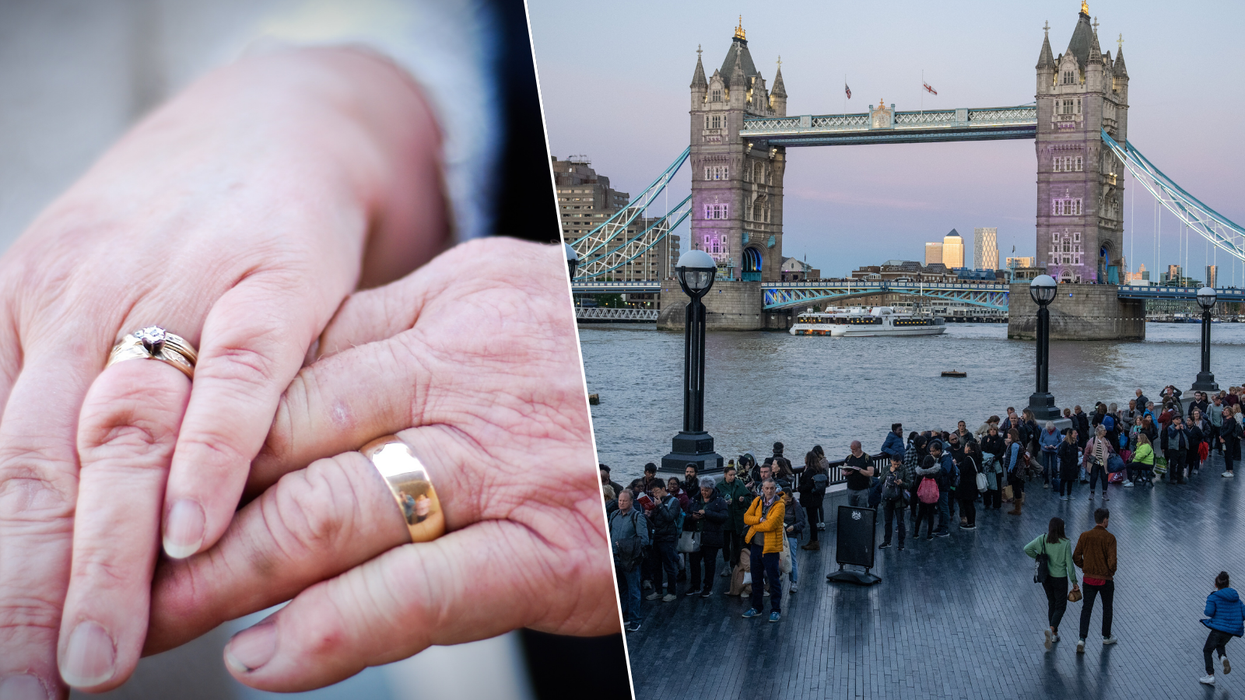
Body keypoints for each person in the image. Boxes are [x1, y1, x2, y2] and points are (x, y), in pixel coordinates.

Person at [1025, 517, 1079, 650]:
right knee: (1061, 606)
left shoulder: (1042, 539)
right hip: (1060, 578)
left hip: (1046, 577)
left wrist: (1039, 557)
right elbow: (1069, 565)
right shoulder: (1065, 543)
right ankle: (1051, 629)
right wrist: (1074, 581)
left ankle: (1054, 634)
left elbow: (1026, 548)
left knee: (1052, 603)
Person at [1073, 508, 1119, 652]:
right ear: (1105, 520)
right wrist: (1109, 572)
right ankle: (1106, 636)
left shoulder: (1084, 536)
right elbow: (1112, 561)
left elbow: (1076, 556)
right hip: (1105, 580)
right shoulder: (1110, 538)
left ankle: (1081, 639)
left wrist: (1084, 566)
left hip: (1088, 580)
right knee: (1107, 608)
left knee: (1086, 608)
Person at [742, 479, 785, 623]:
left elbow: (770, 526)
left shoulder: (780, 505)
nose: (769, 491)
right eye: (766, 488)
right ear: (762, 489)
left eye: (772, 488)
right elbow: (746, 517)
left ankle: (775, 609)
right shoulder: (757, 501)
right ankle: (756, 607)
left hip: (770, 548)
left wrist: (755, 525)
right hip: (756, 546)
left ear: (775, 489)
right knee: (756, 578)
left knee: (773, 580)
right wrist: (760, 519)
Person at [609, 490, 650, 632]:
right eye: (620, 500)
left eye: (624, 501)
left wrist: (624, 544)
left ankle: (635, 620)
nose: (621, 503)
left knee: (633, 591)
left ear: (631, 502)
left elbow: (644, 540)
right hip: (615, 559)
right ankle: (625, 617)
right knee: (621, 589)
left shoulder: (638, 517)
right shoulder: (614, 515)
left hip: (631, 561)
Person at [1200, 571, 1244, 686]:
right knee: (1220, 645)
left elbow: (1209, 612)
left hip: (1218, 629)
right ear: (1228, 584)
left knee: (1207, 650)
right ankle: (1223, 658)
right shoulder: (1236, 598)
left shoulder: (1213, 597)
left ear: (1216, 585)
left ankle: (1210, 675)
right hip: (1230, 631)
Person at [686, 478, 727, 598]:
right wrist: (692, 517)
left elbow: (724, 516)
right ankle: (695, 585)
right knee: (694, 563)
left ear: (712, 489)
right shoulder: (694, 499)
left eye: (707, 490)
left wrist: (706, 513)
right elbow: (686, 514)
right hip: (696, 536)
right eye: (702, 490)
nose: (704, 492)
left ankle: (708, 587)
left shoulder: (719, 501)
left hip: (711, 537)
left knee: (710, 563)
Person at [645, 482, 682, 603]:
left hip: (668, 538)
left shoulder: (674, 501)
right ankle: (658, 591)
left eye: (656, 491)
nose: (654, 494)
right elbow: (656, 520)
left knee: (669, 566)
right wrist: (649, 515)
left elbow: (670, 517)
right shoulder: (656, 502)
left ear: (663, 488)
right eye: (653, 492)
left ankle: (672, 592)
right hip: (656, 537)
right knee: (656, 566)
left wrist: (660, 506)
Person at [718, 465, 751, 575]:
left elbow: (748, 497)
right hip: (725, 520)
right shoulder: (719, 486)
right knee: (725, 543)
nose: (732, 477)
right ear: (725, 475)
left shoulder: (739, 484)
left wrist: (743, 499)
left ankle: (735, 564)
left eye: (734, 475)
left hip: (737, 519)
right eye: (730, 475)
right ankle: (726, 565)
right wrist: (723, 502)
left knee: (737, 543)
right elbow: (715, 501)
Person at [914, 445, 946, 540]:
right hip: (932, 497)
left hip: (922, 497)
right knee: (931, 515)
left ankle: (916, 533)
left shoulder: (920, 473)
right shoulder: (937, 472)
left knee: (920, 514)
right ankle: (929, 534)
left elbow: (916, 484)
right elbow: (941, 483)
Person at [799, 450, 828, 551]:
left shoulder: (809, 471)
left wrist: (800, 488)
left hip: (810, 499)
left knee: (812, 521)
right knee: (813, 520)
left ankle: (814, 541)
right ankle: (813, 540)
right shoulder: (818, 469)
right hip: (817, 498)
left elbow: (807, 485)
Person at [879, 457, 908, 550]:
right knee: (888, 522)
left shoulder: (904, 469)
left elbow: (910, 484)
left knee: (900, 522)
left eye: (898, 464)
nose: (896, 466)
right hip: (887, 499)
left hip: (899, 500)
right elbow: (881, 480)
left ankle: (901, 543)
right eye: (894, 464)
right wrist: (889, 473)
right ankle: (887, 541)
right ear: (891, 461)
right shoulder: (886, 468)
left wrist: (902, 483)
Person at [781, 490, 806, 593]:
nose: (787, 501)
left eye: (788, 499)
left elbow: (802, 522)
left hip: (790, 534)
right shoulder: (780, 505)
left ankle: (793, 581)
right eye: (785, 499)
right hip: (782, 534)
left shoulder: (796, 506)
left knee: (792, 557)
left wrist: (794, 527)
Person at [1085, 425, 1115, 500]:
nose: (1106, 432)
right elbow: (1087, 450)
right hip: (1094, 461)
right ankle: (1092, 493)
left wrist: (1109, 446)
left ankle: (1104, 493)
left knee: (1104, 477)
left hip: (1103, 462)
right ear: (1101, 432)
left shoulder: (1106, 440)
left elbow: (1111, 450)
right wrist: (1085, 460)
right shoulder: (1092, 440)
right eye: (1104, 430)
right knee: (1093, 477)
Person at [843, 440, 875, 507]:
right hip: (851, 488)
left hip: (862, 489)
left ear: (859, 448)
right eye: (851, 449)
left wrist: (859, 470)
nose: (852, 451)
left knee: (862, 509)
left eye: (854, 450)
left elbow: (871, 473)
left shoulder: (867, 458)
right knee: (851, 509)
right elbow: (843, 470)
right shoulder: (849, 458)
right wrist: (846, 473)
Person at [956, 442, 979, 529]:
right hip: (973, 483)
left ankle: (970, 523)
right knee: (971, 504)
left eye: (966, 446)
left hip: (967, 485)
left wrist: (957, 466)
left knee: (967, 504)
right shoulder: (976, 457)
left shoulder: (968, 458)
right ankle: (972, 522)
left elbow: (963, 470)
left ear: (969, 448)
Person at [981, 425, 1005, 509]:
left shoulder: (1000, 440)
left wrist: (994, 458)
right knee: (986, 484)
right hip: (987, 465)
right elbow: (982, 449)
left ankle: (997, 504)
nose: (993, 431)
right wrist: (988, 443)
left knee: (997, 484)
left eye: (994, 429)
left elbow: (1001, 451)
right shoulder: (984, 439)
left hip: (996, 463)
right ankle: (987, 502)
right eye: (991, 430)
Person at [1005, 430, 1026, 516]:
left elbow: (1013, 458)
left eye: (1009, 433)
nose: (1007, 434)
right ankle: (1017, 507)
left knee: (1016, 487)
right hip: (1019, 468)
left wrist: (1010, 469)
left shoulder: (1014, 445)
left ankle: (1018, 509)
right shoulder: (1019, 443)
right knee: (1017, 487)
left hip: (1015, 469)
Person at [1057, 429, 1079, 501]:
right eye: (1075, 433)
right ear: (1070, 435)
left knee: (1070, 480)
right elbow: (1061, 454)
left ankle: (1069, 494)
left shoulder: (1075, 443)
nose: (1076, 434)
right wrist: (1066, 461)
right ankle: (1062, 494)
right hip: (1066, 465)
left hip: (1072, 464)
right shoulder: (1065, 443)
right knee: (1063, 480)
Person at [1039, 421, 1061, 490]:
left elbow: (1060, 441)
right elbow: (1040, 441)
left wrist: (1056, 446)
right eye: (1048, 429)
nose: (1049, 430)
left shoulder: (1057, 431)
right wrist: (1044, 445)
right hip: (1045, 450)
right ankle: (1046, 481)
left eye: (1050, 429)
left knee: (1054, 467)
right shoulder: (1044, 431)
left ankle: (1054, 481)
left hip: (1053, 450)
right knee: (1045, 467)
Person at [1222, 407, 1242, 478]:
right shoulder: (1225, 419)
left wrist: (1222, 435)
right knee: (1226, 455)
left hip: (1230, 439)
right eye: (1225, 410)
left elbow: (1230, 430)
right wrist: (1221, 436)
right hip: (1224, 439)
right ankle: (1227, 470)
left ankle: (1230, 471)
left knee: (1229, 455)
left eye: (1227, 411)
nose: (1226, 412)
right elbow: (1222, 428)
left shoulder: (1232, 420)